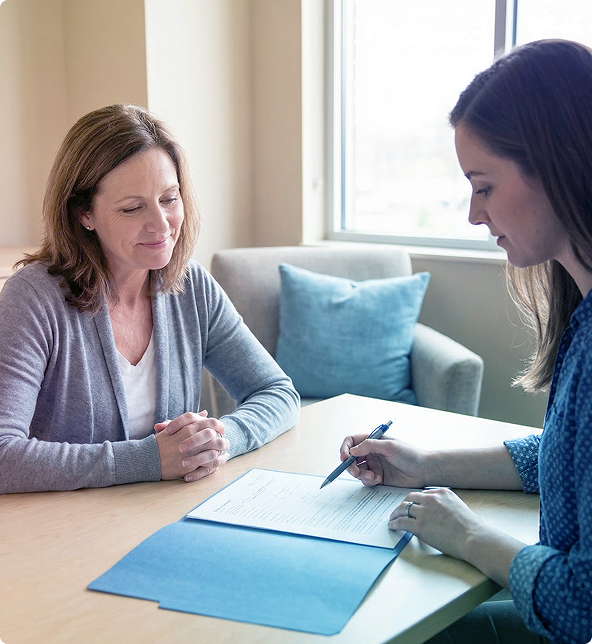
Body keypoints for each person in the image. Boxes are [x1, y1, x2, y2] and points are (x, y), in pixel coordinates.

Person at [339, 40, 592, 644]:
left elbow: (584, 601)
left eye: (484, 186)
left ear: (558, 164)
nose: (476, 216)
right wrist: (426, 464)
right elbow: (564, 454)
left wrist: (469, 535)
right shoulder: (581, 319)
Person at [0, 104, 300, 494]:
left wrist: (216, 442)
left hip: (160, 520)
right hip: (66, 534)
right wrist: (150, 459)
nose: (161, 225)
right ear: (83, 214)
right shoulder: (33, 298)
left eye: (169, 199)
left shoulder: (192, 287)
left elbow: (277, 393)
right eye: (132, 207)